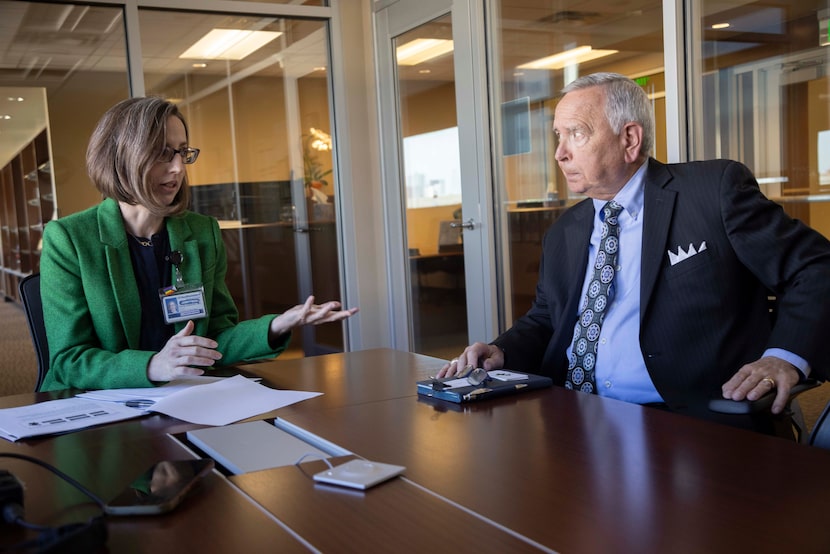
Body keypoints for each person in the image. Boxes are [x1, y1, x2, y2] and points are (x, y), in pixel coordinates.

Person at [438, 72, 830, 436]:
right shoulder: (564, 232)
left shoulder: (712, 193)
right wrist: (501, 350)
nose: (560, 154)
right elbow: (547, 317)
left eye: (576, 134)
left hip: (685, 421)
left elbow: (815, 267)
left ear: (629, 139)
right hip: (571, 416)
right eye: (558, 135)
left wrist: (785, 356)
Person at [39, 96, 358, 392]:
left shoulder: (202, 232)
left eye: (182, 152)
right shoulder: (68, 239)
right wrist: (153, 365)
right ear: (121, 157)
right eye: (163, 153)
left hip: (185, 397)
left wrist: (277, 324)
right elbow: (69, 361)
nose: (178, 167)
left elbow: (215, 338)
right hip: (99, 408)